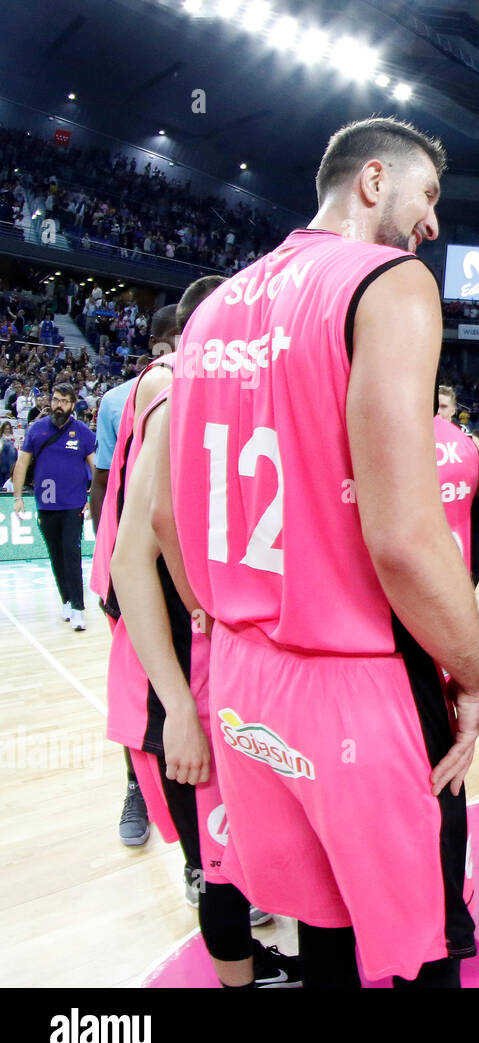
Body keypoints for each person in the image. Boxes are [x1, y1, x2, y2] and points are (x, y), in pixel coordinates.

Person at [166, 117, 479, 987]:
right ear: (375, 180)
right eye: (428, 197)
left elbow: (167, 518)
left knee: (323, 938)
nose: (432, 225)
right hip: (356, 681)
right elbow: (402, 536)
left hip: (243, 679)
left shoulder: (212, 310)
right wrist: (478, 671)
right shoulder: (391, 281)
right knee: (418, 952)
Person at [105, 339, 297, 987]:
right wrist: (179, 708)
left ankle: (248, 952)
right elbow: (128, 562)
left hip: (237, 676)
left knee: (236, 857)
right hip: (189, 681)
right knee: (215, 863)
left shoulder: (229, 408)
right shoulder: (169, 399)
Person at [88, 304, 179, 850]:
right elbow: (104, 483)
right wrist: (113, 571)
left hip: (187, 568)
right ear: (161, 343)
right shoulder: (120, 398)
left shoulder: (221, 382)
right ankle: (136, 790)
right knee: (139, 688)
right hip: (131, 567)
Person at [11, 383, 95, 630]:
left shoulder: (82, 432)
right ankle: (67, 601)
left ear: (72, 405)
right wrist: (18, 497)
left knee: (71, 552)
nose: (59, 405)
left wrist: (93, 496)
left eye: (65, 401)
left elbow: (95, 466)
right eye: (56, 399)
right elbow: (22, 463)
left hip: (73, 503)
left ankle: (79, 609)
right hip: (46, 504)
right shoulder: (37, 429)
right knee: (56, 555)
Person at [437, 383, 479, 579]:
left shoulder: (472, 442)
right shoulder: (419, 440)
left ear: (454, 410)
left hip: (469, 525)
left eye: (444, 406)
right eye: (436, 405)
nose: (439, 411)